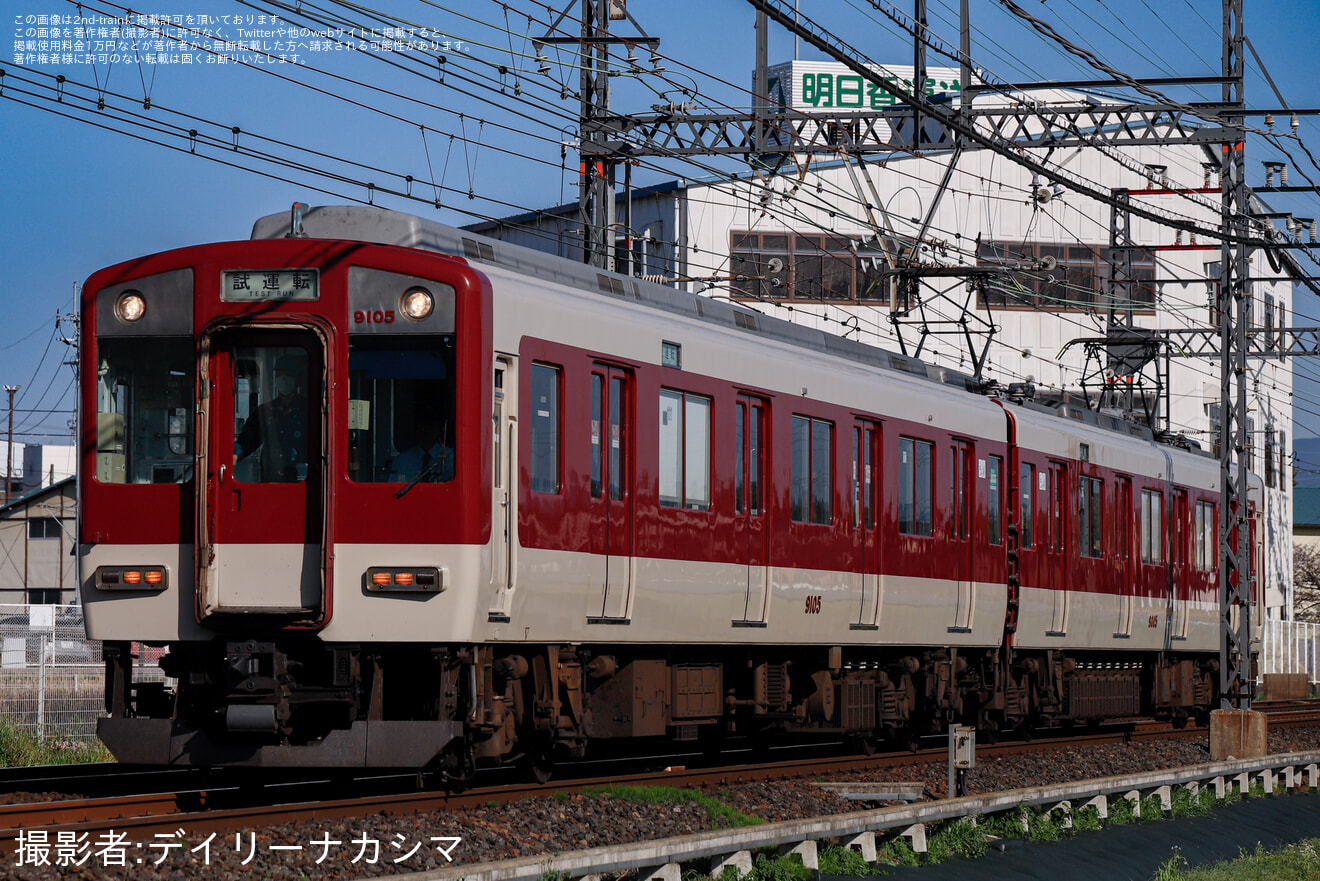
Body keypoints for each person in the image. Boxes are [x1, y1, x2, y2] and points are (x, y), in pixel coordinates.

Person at [235, 355, 309, 482]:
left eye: (289, 375)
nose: (284, 379)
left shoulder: (308, 409)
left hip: (301, 473)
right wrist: (235, 454)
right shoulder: (266, 410)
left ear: (297, 379)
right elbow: (249, 439)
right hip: (271, 471)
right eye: (280, 375)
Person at [389, 411, 453, 483]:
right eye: (422, 426)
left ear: (440, 430)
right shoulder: (401, 460)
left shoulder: (450, 458)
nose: (425, 430)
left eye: (431, 425)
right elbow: (394, 487)